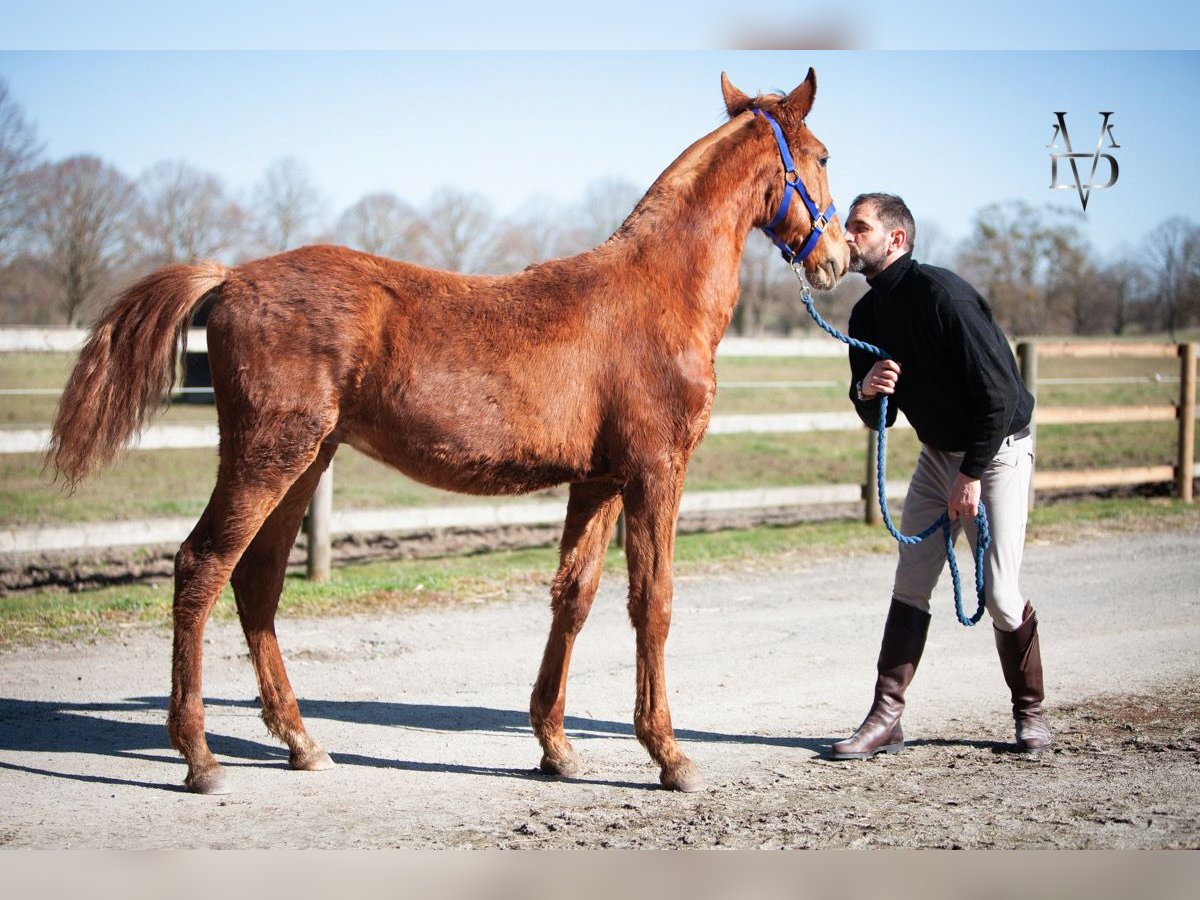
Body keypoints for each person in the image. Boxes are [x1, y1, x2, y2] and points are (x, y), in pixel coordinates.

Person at [831, 192, 1052, 759]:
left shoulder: (944, 297)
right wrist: (866, 390)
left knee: (1000, 594)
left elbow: (1000, 395)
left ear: (895, 239)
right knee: (911, 584)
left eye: (859, 227)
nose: (847, 235)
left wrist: (972, 473)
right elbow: (876, 415)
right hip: (937, 455)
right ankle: (886, 718)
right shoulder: (866, 315)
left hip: (996, 451)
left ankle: (1031, 716)